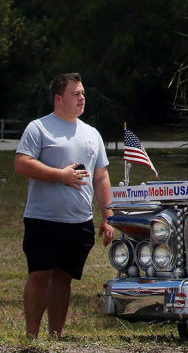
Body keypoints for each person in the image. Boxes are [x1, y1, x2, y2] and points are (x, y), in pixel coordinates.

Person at [13, 73, 114, 339]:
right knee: (39, 275)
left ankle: (55, 336)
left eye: (83, 93)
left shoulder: (91, 133)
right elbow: (21, 163)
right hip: (43, 218)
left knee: (63, 279)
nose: (82, 98)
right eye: (76, 94)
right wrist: (61, 175)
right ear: (58, 98)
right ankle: (32, 338)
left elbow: (101, 176)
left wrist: (108, 216)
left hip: (78, 221)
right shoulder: (39, 128)